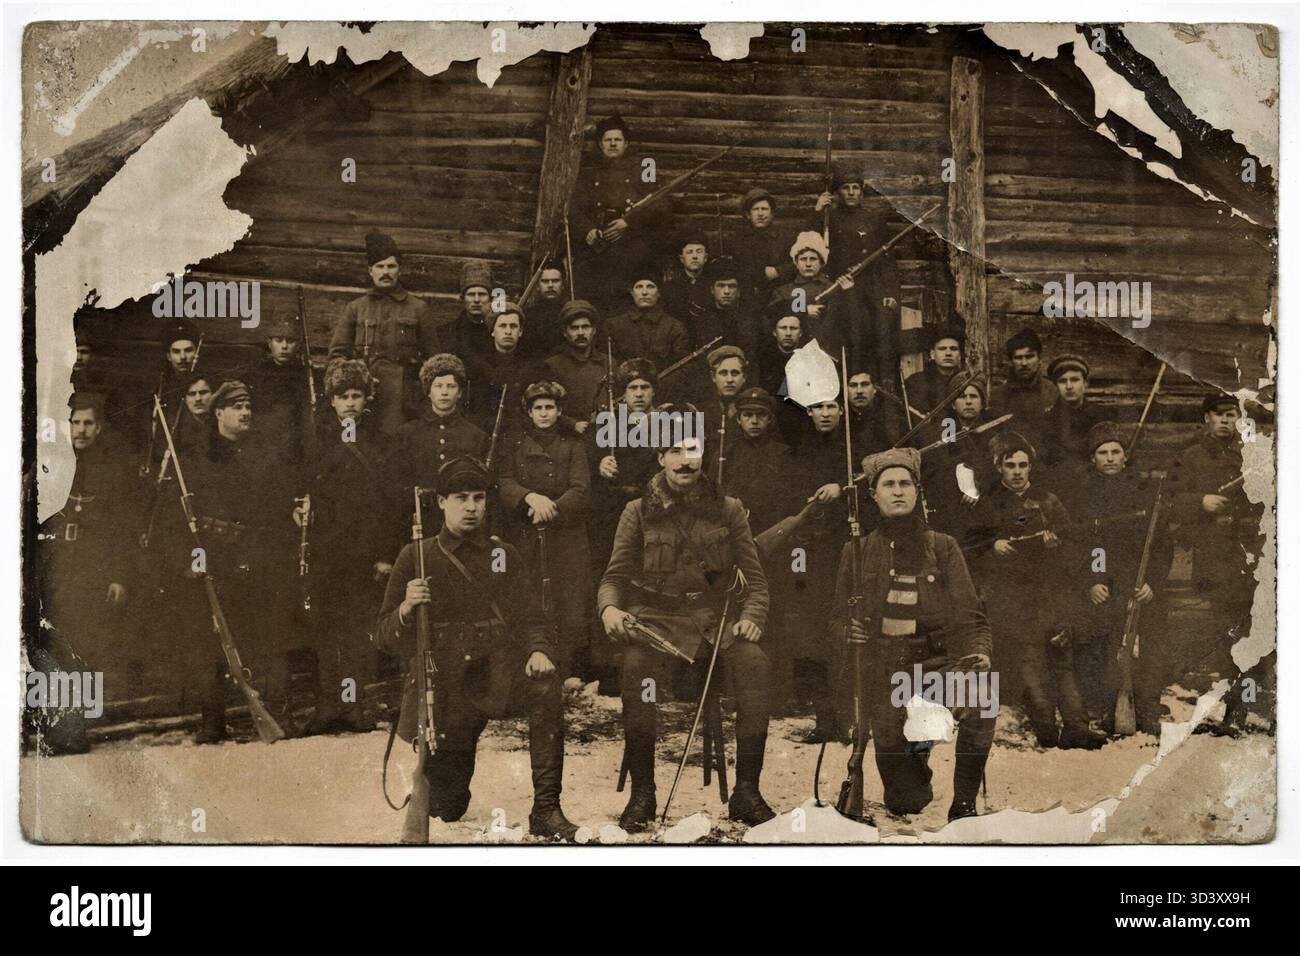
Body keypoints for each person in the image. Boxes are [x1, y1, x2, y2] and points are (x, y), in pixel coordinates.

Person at [375, 456, 579, 841]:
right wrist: (405, 608)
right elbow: (383, 637)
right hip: (445, 684)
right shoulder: (417, 555)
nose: (471, 507)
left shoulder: (502, 554)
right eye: (461, 498)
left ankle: (547, 808)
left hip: (496, 674)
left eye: (479, 498)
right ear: (441, 502)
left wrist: (538, 651)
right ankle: (445, 788)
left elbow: (532, 616)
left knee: (546, 685)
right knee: (446, 807)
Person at [598, 429, 774, 829]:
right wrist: (609, 609)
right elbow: (614, 576)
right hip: (656, 624)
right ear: (661, 457)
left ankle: (748, 791)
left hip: (715, 624)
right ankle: (643, 794)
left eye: (692, 451)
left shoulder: (727, 509)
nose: (684, 461)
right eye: (674, 451)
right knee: (637, 670)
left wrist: (752, 617)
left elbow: (756, 579)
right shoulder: (637, 510)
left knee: (755, 665)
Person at [831, 448, 995, 821]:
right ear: (874, 494)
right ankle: (915, 756)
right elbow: (835, 617)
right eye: (888, 484)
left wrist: (979, 653)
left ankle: (964, 804)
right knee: (906, 801)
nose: (898, 491)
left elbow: (971, 615)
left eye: (905, 483)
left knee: (982, 696)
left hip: (940, 664)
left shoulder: (943, 546)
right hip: (886, 672)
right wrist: (848, 631)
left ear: (918, 491)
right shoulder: (856, 552)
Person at [965, 433, 1104, 749]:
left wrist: (1054, 545)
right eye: (1010, 465)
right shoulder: (988, 503)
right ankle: (1045, 727)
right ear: (1000, 468)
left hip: (1051, 593)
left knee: (1061, 659)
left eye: (1023, 465)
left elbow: (1074, 546)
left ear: (1030, 468)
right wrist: (992, 545)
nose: (1017, 472)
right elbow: (969, 548)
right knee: (1030, 662)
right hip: (1011, 597)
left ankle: (1077, 727)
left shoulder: (1048, 501)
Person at [31, 395, 137, 754]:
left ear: (99, 428)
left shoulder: (112, 471)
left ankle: (80, 730)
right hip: (58, 570)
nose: (82, 430)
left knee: (86, 647)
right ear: (67, 425)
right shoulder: (53, 467)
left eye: (89, 423)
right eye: (76, 423)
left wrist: (118, 577)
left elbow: (122, 530)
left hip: (94, 569)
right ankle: (62, 728)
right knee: (54, 648)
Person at [296, 359, 395, 734]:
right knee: (325, 629)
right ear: (332, 401)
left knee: (357, 632)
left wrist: (385, 555)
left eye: (356, 395)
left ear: (367, 399)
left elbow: (391, 505)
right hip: (326, 551)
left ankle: (352, 707)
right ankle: (327, 707)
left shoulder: (382, 444)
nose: (350, 403)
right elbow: (303, 490)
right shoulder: (316, 441)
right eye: (343, 396)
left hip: (365, 553)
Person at [1168, 394, 1268, 734]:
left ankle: (1242, 711)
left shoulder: (1252, 457)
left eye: (1231, 415)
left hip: (1249, 558)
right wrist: (1201, 501)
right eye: (1218, 415)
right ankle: (1228, 709)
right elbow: (1171, 501)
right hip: (1213, 561)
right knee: (1222, 636)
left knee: (1250, 634)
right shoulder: (1190, 458)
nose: (1226, 421)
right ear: (1206, 418)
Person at [1070, 421, 1173, 736]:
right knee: (1103, 649)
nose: (1110, 458)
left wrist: (1151, 583)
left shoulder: (1144, 493)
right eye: (1103, 452)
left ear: (1126, 457)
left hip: (1141, 586)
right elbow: (1080, 546)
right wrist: (1091, 582)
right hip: (1105, 588)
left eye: (1116, 451)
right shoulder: (1082, 496)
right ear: (1093, 459)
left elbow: (1162, 545)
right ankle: (1104, 708)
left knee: (1150, 650)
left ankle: (1148, 710)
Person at [498, 382, 594, 679]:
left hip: (565, 534)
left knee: (567, 599)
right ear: (529, 412)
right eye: (537, 408)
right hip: (526, 532)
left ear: (559, 410)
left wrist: (551, 508)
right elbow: (504, 480)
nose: (543, 413)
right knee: (528, 595)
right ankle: (528, 662)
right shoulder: (514, 445)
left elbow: (581, 489)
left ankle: (563, 667)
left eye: (549, 407)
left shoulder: (572, 446)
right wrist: (529, 498)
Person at [328, 232, 439, 435]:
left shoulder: (418, 309)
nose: (385, 272)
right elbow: (337, 356)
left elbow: (434, 361)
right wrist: (355, 379)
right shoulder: (356, 308)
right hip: (363, 398)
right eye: (380, 266)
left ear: (399, 270)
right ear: (370, 271)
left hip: (404, 400)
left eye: (391, 266)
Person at [570, 116, 669, 311]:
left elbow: (660, 205)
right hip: (598, 248)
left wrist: (629, 222)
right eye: (608, 140)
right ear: (600, 144)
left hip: (632, 247)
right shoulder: (589, 174)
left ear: (626, 144)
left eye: (618, 140)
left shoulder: (643, 170)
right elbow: (574, 211)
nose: (613, 144)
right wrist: (588, 231)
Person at [811, 164, 901, 373]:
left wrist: (890, 292)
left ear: (861, 191)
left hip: (871, 290)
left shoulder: (874, 219)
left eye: (855, 188)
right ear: (837, 193)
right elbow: (810, 244)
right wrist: (817, 212)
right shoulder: (829, 217)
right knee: (842, 340)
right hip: (840, 288)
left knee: (873, 340)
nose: (851, 192)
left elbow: (887, 260)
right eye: (845, 188)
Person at [389, 355, 488, 533]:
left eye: (451, 386)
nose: (444, 392)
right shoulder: (407, 434)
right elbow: (396, 488)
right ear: (428, 392)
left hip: (462, 525)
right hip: (418, 523)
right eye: (438, 386)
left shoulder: (476, 436)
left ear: (459, 393)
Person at [770, 231, 850, 359]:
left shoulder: (833, 288)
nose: (808, 264)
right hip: (792, 353)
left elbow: (843, 320)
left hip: (825, 351)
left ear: (821, 262)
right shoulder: (784, 291)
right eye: (803, 259)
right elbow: (772, 314)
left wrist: (847, 292)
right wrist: (803, 309)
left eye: (813, 259)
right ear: (796, 263)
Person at [733, 188, 794, 356]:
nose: (760, 214)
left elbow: (798, 264)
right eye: (756, 209)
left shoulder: (784, 239)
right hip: (747, 302)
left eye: (764, 209)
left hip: (775, 301)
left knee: (773, 346)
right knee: (748, 344)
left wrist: (779, 271)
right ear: (747, 215)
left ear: (772, 213)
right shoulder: (738, 240)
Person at [605, 260, 690, 373]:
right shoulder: (613, 326)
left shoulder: (675, 327)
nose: (644, 292)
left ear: (659, 292)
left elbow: (682, 368)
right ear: (631, 292)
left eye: (650, 287)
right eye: (639, 287)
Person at [544, 299, 606, 435]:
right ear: (565, 332)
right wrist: (572, 424)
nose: (580, 333)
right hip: (567, 435)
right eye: (574, 328)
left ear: (594, 330)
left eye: (586, 327)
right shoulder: (553, 365)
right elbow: (545, 407)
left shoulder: (608, 362)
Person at [991, 328, 1056, 448]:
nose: (1024, 363)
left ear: (1039, 359)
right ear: (1010, 362)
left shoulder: (1052, 391)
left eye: (1030, 356)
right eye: (1018, 357)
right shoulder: (998, 396)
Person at [437, 261, 498, 366]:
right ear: (462, 298)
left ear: (491, 299)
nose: (477, 300)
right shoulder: (447, 333)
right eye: (471, 294)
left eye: (482, 294)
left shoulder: (499, 333)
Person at [903, 326, 964, 415]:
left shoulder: (967, 382)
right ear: (932, 354)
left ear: (959, 356)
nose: (948, 353)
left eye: (953, 349)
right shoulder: (915, 382)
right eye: (942, 349)